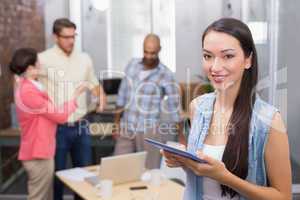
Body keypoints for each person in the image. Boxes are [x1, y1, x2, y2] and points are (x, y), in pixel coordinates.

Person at [162, 18, 292, 200]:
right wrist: (184, 162)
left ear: (248, 60)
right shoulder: (197, 107)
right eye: (208, 56)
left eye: (228, 56)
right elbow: (202, 173)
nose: (215, 67)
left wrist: (226, 178)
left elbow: (283, 196)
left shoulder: (268, 121)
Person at [38, 18, 107, 200]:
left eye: (73, 36)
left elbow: (93, 83)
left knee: (84, 174)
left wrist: (101, 96)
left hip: (81, 125)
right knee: (58, 174)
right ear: (55, 37)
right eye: (66, 37)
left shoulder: (84, 58)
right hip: (56, 127)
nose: (70, 41)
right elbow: (28, 83)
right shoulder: (43, 59)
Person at [10, 48, 87, 200]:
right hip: (37, 154)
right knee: (39, 197)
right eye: (37, 61)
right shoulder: (28, 92)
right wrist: (75, 98)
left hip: (40, 151)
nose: (41, 64)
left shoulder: (29, 86)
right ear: (30, 67)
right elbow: (59, 116)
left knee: (45, 196)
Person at [113, 33, 184, 169]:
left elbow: (175, 108)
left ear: (159, 50)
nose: (149, 56)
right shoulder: (132, 65)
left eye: (153, 53)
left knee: (150, 171)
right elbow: (122, 95)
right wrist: (116, 123)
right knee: (119, 166)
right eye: (146, 52)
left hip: (149, 131)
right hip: (127, 126)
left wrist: (181, 137)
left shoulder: (166, 74)